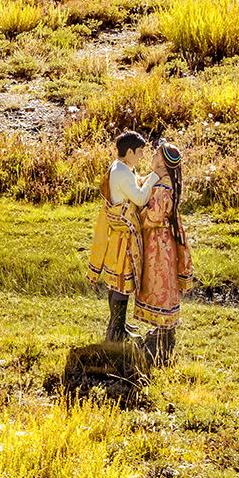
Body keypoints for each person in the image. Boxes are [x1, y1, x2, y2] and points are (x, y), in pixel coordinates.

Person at [86, 130, 158, 342]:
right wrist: (154, 176)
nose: (141, 156)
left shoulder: (120, 168)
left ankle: (117, 324)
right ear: (129, 151)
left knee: (116, 282)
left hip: (117, 234)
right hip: (123, 236)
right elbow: (140, 198)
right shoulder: (122, 172)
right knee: (121, 283)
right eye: (139, 152)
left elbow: (133, 185)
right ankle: (116, 331)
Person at [135, 140, 193, 361]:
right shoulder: (167, 182)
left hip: (158, 241)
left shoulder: (162, 188)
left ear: (162, 163)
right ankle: (165, 326)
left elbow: (154, 216)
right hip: (164, 240)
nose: (152, 157)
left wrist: (136, 214)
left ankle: (163, 327)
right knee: (165, 278)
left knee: (159, 278)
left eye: (156, 155)